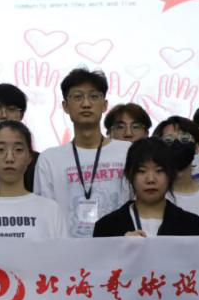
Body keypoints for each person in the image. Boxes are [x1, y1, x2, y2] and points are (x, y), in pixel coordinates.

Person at [34, 68, 131, 238]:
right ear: (65, 106)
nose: (86, 104)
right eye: (78, 97)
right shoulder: (49, 159)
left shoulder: (127, 152)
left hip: (119, 247)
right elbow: (44, 217)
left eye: (94, 96)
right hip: (67, 251)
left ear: (105, 105)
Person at [94, 138, 199, 237]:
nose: (151, 179)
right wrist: (121, 245)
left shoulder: (192, 225)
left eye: (159, 171)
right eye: (142, 171)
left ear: (170, 175)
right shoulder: (106, 227)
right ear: (129, 175)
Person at [152, 116, 199, 235]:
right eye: (168, 140)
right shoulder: (149, 197)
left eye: (185, 139)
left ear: (196, 147)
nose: (177, 144)